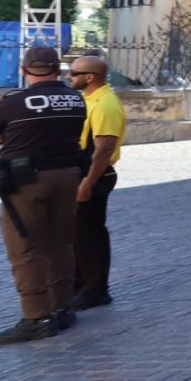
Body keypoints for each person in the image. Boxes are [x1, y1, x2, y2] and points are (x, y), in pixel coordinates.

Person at [0, 45, 88, 344]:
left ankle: (36, 317)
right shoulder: (76, 99)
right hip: (69, 176)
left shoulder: (15, 103)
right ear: (58, 70)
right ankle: (61, 308)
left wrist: (4, 135)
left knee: (26, 248)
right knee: (61, 243)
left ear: (23, 70)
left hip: (27, 180)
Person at [69, 55, 126, 310]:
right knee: (78, 234)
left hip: (95, 174)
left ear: (89, 77)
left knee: (91, 234)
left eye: (73, 72)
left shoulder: (105, 104)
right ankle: (79, 286)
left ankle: (96, 290)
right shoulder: (88, 99)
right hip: (83, 171)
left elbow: (103, 149)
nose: (69, 77)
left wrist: (87, 184)